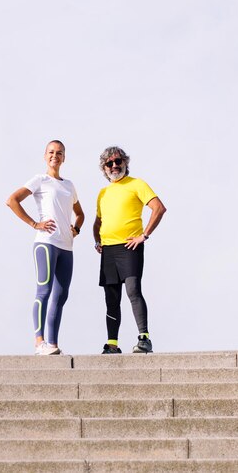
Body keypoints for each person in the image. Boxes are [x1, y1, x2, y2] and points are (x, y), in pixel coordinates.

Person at [6, 140, 84, 355]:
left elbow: (80, 214)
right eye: (51, 152)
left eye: (59, 153)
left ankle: (52, 344)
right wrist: (34, 223)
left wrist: (76, 229)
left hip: (66, 247)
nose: (55, 156)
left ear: (64, 157)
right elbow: (12, 200)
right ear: (45, 156)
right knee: (44, 290)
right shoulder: (39, 180)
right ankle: (39, 342)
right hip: (45, 243)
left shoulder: (69, 185)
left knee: (61, 295)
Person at [93, 146, 166, 354]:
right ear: (104, 168)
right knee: (111, 298)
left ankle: (144, 338)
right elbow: (98, 221)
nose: (114, 166)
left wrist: (144, 235)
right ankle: (112, 343)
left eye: (118, 161)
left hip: (129, 246)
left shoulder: (137, 184)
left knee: (133, 291)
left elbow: (159, 208)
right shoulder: (103, 193)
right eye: (110, 163)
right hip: (108, 250)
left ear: (125, 163)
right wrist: (97, 241)